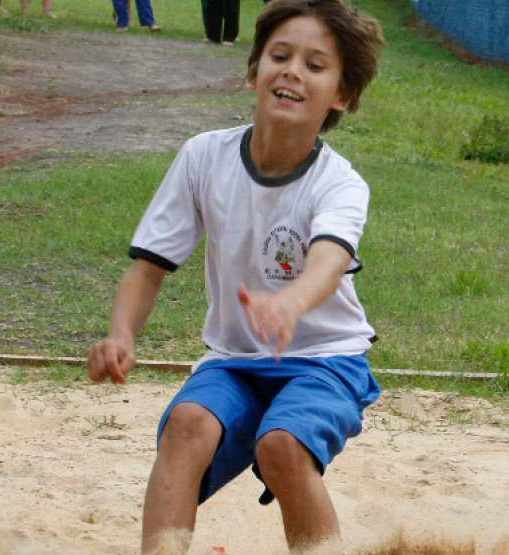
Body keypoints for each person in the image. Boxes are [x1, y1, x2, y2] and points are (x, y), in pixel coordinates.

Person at [86, 0, 384, 552]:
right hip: (234, 359)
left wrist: (290, 304)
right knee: (186, 424)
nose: (293, 70)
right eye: (280, 55)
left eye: (316, 65)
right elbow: (148, 266)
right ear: (254, 70)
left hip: (326, 360)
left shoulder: (340, 184)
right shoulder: (204, 157)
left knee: (282, 446)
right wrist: (120, 334)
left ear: (342, 95)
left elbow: (327, 260)